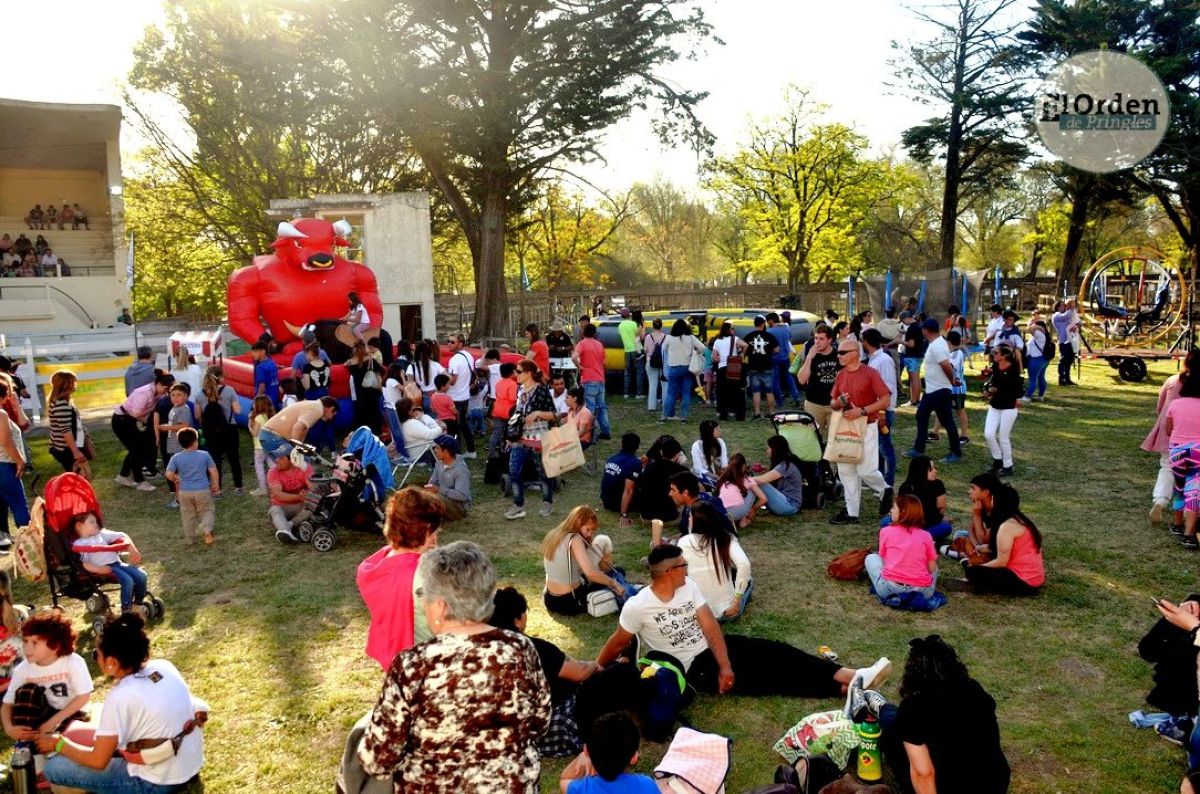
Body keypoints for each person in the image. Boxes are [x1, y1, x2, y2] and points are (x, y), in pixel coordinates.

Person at [358, 542, 551, 792]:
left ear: (440, 606)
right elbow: (539, 723)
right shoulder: (521, 648)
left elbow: (379, 759)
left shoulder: (413, 665)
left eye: (423, 595)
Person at [595, 544, 893, 705]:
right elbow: (618, 641)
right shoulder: (639, 605)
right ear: (670, 572)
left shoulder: (688, 588)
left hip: (715, 651)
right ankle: (845, 689)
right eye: (684, 565)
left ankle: (852, 675)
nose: (688, 568)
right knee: (769, 679)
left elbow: (710, 626)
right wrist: (596, 667)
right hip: (691, 670)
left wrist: (724, 664)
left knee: (777, 653)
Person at [40, 612, 208, 794]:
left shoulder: (121, 696)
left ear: (111, 661)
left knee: (54, 768)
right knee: (91, 725)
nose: (95, 659)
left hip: (154, 783)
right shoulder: (164, 667)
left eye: (97, 654)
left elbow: (98, 761)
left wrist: (59, 744)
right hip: (188, 766)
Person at [879, 635, 1010, 794]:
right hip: (994, 785)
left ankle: (874, 705)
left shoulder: (914, 707)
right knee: (894, 720)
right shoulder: (975, 691)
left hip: (946, 785)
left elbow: (924, 774)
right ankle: (877, 704)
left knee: (890, 734)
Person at [357, 487, 445, 668]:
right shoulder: (423, 575)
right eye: (436, 529)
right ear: (426, 529)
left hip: (391, 655)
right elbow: (444, 622)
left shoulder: (380, 559)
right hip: (422, 661)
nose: (438, 534)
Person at [829, 340, 894, 525]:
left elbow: (886, 400)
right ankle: (852, 513)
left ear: (855, 353)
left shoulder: (870, 373)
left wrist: (863, 410)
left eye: (842, 352)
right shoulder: (840, 375)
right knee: (846, 470)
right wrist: (839, 402)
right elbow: (833, 403)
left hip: (868, 424)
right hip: (846, 427)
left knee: (866, 469)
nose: (838, 355)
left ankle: (884, 490)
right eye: (838, 352)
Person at [1, 611, 92, 740]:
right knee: (27, 691)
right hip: (42, 715)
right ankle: (28, 746)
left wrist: (54, 722)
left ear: (55, 645)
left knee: (69, 735)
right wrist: (9, 729)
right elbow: (7, 704)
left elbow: (83, 697)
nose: (27, 648)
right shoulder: (23, 669)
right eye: (25, 641)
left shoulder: (73, 662)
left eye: (35, 643)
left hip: (70, 713)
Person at [951, 475, 1044, 595]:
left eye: (994, 499)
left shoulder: (1007, 526)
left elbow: (1001, 561)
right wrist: (980, 548)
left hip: (1022, 581)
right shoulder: (1020, 519)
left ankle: (975, 585)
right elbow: (994, 547)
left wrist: (979, 567)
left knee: (973, 572)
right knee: (976, 565)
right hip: (1035, 579)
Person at [542, 506, 631, 615]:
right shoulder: (575, 539)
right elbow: (591, 574)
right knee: (618, 572)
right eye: (588, 529)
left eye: (592, 531)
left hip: (550, 598)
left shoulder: (554, 534)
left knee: (603, 575)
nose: (589, 534)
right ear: (578, 523)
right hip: (569, 601)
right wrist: (614, 583)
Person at [1144, 351, 1198, 529]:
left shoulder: (1172, 380)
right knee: (1193, 476)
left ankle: (1160, 500)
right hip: (1194, 438)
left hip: (1169, 433)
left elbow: (1160, 407)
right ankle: (1187, 513)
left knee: (1167, 467)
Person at [678, 503, 752, 621]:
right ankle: (738, 598)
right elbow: (744, 564)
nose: (688, 519)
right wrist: (737, 600)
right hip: (727, 612)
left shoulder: (683, 542)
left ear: (696, 522)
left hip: (698, 613)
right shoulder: (726, 538)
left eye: (690, 517)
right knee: (749, 581)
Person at [905, 319, 964, 464]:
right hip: (936, 389)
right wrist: (953, 380)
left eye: (922, 329)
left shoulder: (936, 346)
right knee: (936, 418)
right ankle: (921, 448)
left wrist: (951, 381)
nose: (922, 332)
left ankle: (922, 449)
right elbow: (947, 364)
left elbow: (946, 366)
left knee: (931, 417)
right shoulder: (939, 342)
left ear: (926, 330)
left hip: (938, 390)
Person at [506, 361, 558, 520]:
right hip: (520, 438)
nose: (516, 374)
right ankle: (518, 505)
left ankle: (547, 502)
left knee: (543, 474)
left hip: (538, 439)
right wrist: (510, 436)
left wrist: (537, 413)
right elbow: (517, 414)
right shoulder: (520, 390)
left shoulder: (542, 390)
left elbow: (553, 415)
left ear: (529, 373)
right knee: (514, 472)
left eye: (519, 371)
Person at [559, 711, 658, 794]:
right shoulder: (648, 786)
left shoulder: (581, 789)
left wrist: (582, 756)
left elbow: (564, 780)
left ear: (587, 751)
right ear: (634, 758)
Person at [72, 513, 148, 613]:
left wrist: (132, 549)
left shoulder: (101, 534)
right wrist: (98, 569)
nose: (96, 524)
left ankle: (137, 604)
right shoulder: (80, 544)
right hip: (105, 568)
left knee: (142, 575)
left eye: (96, 522)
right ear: (79, 526)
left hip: (117, 563)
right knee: (128, 580)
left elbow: (122, 535)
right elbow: (84, 563)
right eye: (91, 522)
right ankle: (126, 609)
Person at [865, 495, 938, 601]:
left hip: (890, 589)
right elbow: (931, 569)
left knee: (870, 558)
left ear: (903, 511)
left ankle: (894, 595)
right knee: (934, 566)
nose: (890, 511)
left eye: (894, 508)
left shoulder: (886, 531)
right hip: (922, 592)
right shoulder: (926, 536)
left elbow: (885, 560)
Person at [113, 373, 174, 492]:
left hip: (131, 420)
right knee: (137, 450)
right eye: (166, 389)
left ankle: (124, 475)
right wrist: (151, 411)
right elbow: (136, 413)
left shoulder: (157, 393)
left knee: (138, 449)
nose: (166, 392)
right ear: (159, 384)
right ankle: (140, 481)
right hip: (123, 420)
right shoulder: (144, 393)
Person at [165, 428, 219, 546]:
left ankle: (190, 539)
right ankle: (207, 530)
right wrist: (215, 484)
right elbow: (213, 470)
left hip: (184, 492)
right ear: (196, 441)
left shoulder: (176, 457)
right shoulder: (204, 455)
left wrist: (175, 478)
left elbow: (168, 473)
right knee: (207, 511)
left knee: (187, 515)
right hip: (202, 490)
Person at [196, 366, 244, 495]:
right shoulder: (229, 390)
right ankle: (238, 487)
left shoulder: (200, 394)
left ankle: (217, 490)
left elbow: (197, 416)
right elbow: (238, 411)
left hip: (211, 431)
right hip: (229, 428)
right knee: (233, 458)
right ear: (220, 377)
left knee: (215, 460)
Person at [1168, 372, 1200, 549]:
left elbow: (1168, 430)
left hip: (1177, 451)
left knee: (1179, 487)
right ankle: (1189, 534)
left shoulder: (1175, 404)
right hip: (1198, 452)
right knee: (1194, 489)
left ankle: (1177, 524)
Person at [863, 328, 898, 487]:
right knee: (876, 446)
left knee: (885, 447)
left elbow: (888, 387)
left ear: (867, 342)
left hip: (882, 412)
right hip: (874, 410)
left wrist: (882, 412)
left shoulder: (883, 360)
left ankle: (888, 481)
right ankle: (880, 478)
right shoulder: (874, 359)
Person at [258, 396, 339, 462]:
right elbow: (297, 429)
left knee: (301, 462)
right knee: (299, 464)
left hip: (269, 435)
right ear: (331, 409)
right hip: (273, 436)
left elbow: (303, 430)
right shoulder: (317, 410)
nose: (331, 418)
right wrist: (296, 451)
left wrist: (301, 449)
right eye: (333, 415)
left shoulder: (313, 406)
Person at [659, 318, 707, 423]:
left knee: (671, 393)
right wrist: (695, 352)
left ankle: (663, 417)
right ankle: (684, 418)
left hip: (674, 368)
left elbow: (663, 349)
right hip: (687, 368)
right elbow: (703, 348)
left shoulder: (669, 338)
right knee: (686, 393)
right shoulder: (691, 338)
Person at [895, 456, 952, 541]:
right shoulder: (907, 488)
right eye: (931, 469)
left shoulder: (938, 484)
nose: (935, 471)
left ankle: (909, 537)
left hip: (927, 524)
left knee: (946, 527)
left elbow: (941, 508)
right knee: (885, 522)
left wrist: (938, 518)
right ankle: (919, 538)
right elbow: (902, 511)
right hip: (910, 523)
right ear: (921, 471)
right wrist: (940, 518)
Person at [46, 370, 91, 477]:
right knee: (78, 477)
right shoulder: (61, 404)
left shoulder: (62, 401)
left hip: (66, 447)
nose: (76, 385)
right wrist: (75, 451)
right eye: (74, 382)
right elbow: (66, 430)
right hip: (66, 449)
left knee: (78, 475)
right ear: (67, 385)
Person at [798, 324, 840, 437]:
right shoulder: (812, 356)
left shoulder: (838, 355)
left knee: (836, 437)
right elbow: (802, 380)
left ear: (829, 340)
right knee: (813, 437)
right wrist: (809, 358)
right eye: (816, 338)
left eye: (821, 339)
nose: (817, 341)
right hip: (814, 404)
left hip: (835, 404)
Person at [573, 323, 611, 440]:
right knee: (601, 407)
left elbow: (574, 357)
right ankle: (605, 431)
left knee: (590, 408)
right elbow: (604, 363)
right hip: (600, 379)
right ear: (594, 333)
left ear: (583, 332)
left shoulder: (582, 344)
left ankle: (591, 434)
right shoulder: (599, 345)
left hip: (588, 379)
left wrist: (579, 366)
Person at [752, 435, 806, 517]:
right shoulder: (784, 463)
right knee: (754, 482)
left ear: (775, 450)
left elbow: (762, 480)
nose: (767, 451)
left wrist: (742, 479)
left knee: (757, 482)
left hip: (789, 505)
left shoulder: (785, 466)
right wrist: (767, 470)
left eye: (768, 448)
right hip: (784, 503)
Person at [158, 385, 193, 509]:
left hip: (180, 446)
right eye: (173, 395)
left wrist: (166, 428)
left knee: (179, 474)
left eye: (179, 395)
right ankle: (180, 499)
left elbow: (183, 425)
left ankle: (181, 500)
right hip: (174, 445)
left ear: (186, 396)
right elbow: (175, 423)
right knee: (178, 474)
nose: (176, 398)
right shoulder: (175, 408)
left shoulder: (184, 409)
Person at [267, 452, 314, 544]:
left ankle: (288, 526)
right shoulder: (273, 472)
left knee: (314, 506)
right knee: (275, 509)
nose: (277, 461)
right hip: (283, 506)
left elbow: (314, 488)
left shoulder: (305, 467)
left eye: (281, 458)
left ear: (292, 459)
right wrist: (298, 496)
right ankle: (286, 531)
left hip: (302, 506)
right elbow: (278, 495)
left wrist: (305, 469)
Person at [445, 333, 478, 458]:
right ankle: (471, 450)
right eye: (448, 341)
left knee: (454, 427)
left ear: (460, 343)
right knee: (463, 425)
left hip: (455, 397)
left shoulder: (454, 360)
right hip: (464, 396)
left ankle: (457, 453)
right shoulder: (468, 355)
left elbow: (452, 381)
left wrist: (445, 374)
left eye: (452, 342)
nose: (449, 344)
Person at [715, 453, 768, 529]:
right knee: (752, 489)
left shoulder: (724, 478)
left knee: (738, 495)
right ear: (743, 466)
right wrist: (753, 509)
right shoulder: (747, 480)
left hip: (722, 512)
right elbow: (764, 499)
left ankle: (737, 519)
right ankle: (745, 519)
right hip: (737, 513)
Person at [425, 435, 471, 520]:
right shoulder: (439, 463)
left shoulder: (461, 470)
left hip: (458, 508)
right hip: (443, 498)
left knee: (433, 500)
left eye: (437, 448)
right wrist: (430, 486)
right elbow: (434, 481)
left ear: (446, 451)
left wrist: (439, 490)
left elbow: (462, 495)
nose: (434, 450)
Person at [741, 316, 778, 420]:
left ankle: (757, 413)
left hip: (753, 366)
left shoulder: (748, 336)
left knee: (756, 391)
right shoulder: (769, 335)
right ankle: (771, 412)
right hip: (767, 366)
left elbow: (744, 350)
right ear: (763, 324)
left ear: (755, 324)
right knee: (769, 391)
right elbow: (777, 350)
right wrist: (768, 352)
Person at [709, 322, 747, 421]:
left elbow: (714, 358)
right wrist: (742, 354)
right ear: (728, 330)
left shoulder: (717, 341)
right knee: (738, 392)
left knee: (722, 393)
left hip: (722, 368)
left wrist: (720, 358)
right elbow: (745, 345)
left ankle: (723, 415)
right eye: (732, 328)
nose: (733, 330)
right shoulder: (735, 339)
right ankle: (740, 416)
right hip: (734, 367)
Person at [348, 340, 385, 435]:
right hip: (372, 393)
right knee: (374, 417)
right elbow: (381, 370)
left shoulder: (350, 362)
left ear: (354, 350)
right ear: (364, 348)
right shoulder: (370, 360)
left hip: (359, 394)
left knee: (362, 418)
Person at [767, 312, 800, 408]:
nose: (767, 323)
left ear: (771, 320)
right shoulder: (786, 329)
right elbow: (789, 339)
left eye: (768, 321)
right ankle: (796, 397)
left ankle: (779, 401)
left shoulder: (770, 332)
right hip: (786, 357)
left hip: (775, 358)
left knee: (775, 380)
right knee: (789, 378)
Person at [488, 362, 519, 461]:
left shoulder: (499, 383)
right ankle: (506, 450)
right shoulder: (513, 384)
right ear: (512, 372)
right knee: (509, 432)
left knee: (496, 432)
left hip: (497, 410)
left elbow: (497, 395)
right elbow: (513, 399)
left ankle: (492, 452)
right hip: (508, 412)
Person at [248, 395, 275, 497]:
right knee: (272, 466)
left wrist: (249, 426)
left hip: (259, 447)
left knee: (259, 467)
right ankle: (277, 484)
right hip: (268, 444)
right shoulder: (268, 416)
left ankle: (263, 489)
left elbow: (255, 433)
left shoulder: (258, 418)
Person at [900, 312, 928, 406]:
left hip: (912, 356)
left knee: (914, 379)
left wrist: (900, 341)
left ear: (906, 318)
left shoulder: (912, 328)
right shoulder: (919, 325)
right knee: (915, 379)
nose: (903, 323)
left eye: (903, 321)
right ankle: (914, 399)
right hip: (919, 354)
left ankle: (915, 401)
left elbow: (911, 344)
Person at [690, 419, 728, 487]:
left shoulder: (720, 442)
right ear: (709, 432)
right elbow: (698, 468)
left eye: (719, 428)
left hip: (720, 473)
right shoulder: (696, 446)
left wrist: (724, 473)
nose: (720, 430)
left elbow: (724, 462)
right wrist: (713, 476)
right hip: (705, 476)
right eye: (717, 428)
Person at [1021, 319, 1051, 403]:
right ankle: (1040, 396)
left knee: (1032, 379)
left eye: (1034, 325)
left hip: (1036, 359)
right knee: (1041, 377)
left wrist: (1036, 326)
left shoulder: (1039, 333)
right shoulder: (1043, 335)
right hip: (1043, 359)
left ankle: (1027, 397)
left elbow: (1028, 329)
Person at [1052, 298, 1080, 386]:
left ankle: (1067, 378)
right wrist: (1071, 307)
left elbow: (1075, 322)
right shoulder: (1056, 315)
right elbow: (1067, 316)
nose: (1065, 307)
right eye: (1063, 305)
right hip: (1063, 341)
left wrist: (1075, 326)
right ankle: (1061, 379)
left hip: (1069, 340)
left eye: (1065, 305)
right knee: (1064, 360)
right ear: (1058, 307)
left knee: (1070, 359)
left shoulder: (1065, 314)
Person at [644, 318, 667, 412]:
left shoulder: (648, 337)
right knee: (665, 384)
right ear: (661, 326)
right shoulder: (666, 337)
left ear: (653, 326)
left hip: (650, 362)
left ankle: (651, 407)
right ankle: (665, 405)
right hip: (663, 363)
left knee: (653, 385)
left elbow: (645, 349)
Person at [249, 341, 280, 409]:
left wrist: (256, 402)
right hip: (274, 399)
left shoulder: (260, 367)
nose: (253, 354)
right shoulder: (272, 362)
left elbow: (262, 387)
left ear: (263, 352)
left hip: (265, 403)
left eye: (255, 352)